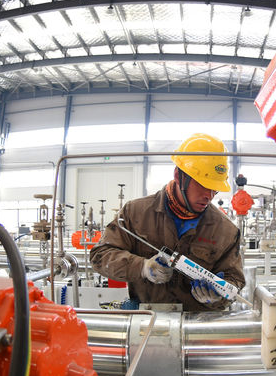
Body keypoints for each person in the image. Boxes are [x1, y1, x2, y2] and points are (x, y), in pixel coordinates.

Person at [90, 133, 245, 312]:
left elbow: (235, 280)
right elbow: (100, 256)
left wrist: (219, 296)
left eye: (215, 189)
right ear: (179, 176)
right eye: (203, 185)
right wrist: (143, 267)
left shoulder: (225, 230)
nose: (209, 196)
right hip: (148, 321)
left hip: (198, 326)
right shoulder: (135, 213)